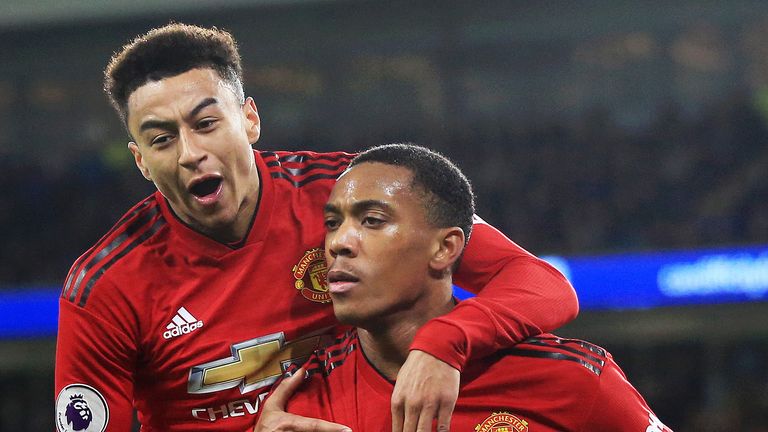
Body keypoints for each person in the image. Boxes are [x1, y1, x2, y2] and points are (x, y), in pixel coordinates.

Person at [54, 23, 578, 432]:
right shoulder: (105, 287)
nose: (191, 153)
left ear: (250, 120)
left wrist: (445, 343)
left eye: (206, 123)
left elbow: (543, 285)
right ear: (141, 161)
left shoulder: (350, 193)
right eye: (162, 138)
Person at [272, 143, 672, 432]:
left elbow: (550, 285)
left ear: (445, 248)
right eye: (332, 223)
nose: (339, 242)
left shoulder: (574, 381)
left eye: (372, 220)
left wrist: (442, 344)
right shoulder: (304, 405)